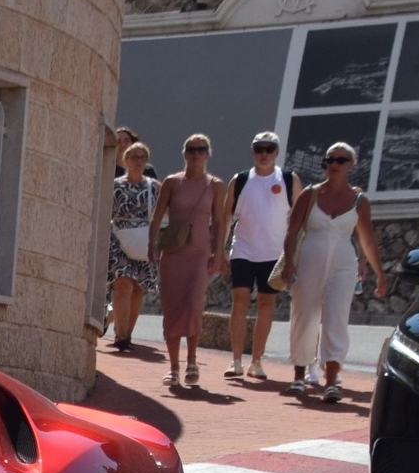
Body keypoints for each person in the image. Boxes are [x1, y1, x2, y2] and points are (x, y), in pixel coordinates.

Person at [277, 142, 389, 405]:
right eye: (329, 160)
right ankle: (299, 375)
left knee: (336, 317)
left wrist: (379, 274)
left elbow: (367, 240)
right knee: (304, 315)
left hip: (343, 263)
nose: (333, 165)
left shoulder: (359, 201)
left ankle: (331, 381)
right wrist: (288, 264)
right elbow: (291, 230)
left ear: (351, 164)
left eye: (340, 160)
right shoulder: (310, 194)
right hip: (309, 259)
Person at [150, 134, 225, 393]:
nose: (196, 154)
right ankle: (173, 367)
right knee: (172, 308)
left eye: (201, 149)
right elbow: (158, 214)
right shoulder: (172, 182)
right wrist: (151, 244)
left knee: (194, 305)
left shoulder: (215, 185)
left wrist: (219, 251)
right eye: (192, 149)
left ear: (207, 153)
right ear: (184, 153)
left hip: (199, 254)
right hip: (173, 254)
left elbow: (219, 221)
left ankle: (192, 360)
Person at [221, 131, 297, 382]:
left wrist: (294, 252)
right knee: (239, 301)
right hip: (243, 249)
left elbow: (299, 217)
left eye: (269, 149)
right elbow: (225, 217)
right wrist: (219, 250)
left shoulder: (287, 179)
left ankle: (256, 360)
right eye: (259, 149)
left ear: (276, 152)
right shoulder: (240, 180)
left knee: (266, 303)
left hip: (274, 253)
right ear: (253, 151)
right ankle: (235, 360)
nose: (264, 154)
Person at [106, 141, 158, 353]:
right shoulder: (115, 185)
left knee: (138, 288)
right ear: (125, 160)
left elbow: (164, 213)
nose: (137, 161)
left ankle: (128, 331)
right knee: (123, 283)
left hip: (145, 240)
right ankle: (121, 335)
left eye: (141, 157)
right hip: (119, 237)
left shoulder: (155, 186)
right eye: (133, 157)